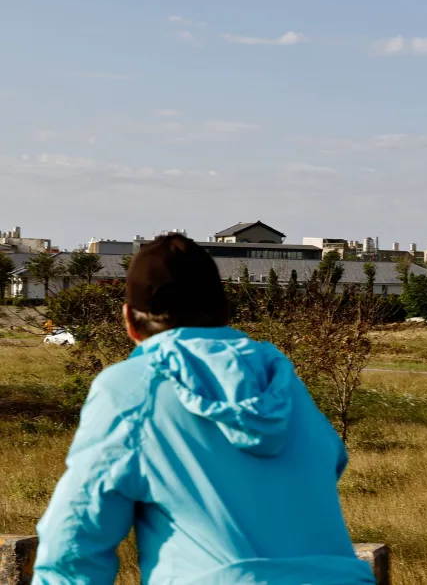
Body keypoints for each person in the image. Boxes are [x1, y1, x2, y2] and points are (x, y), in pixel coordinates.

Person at [32, 234, 376, 585]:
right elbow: (329, 461)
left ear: (130, 321)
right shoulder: (282, 382)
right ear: (224, 311)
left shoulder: (133, 387)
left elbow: (74, 540)